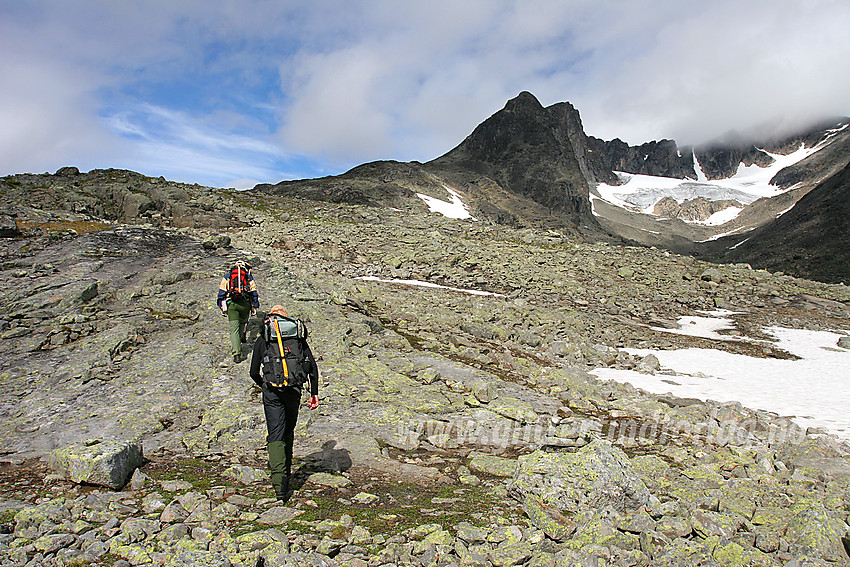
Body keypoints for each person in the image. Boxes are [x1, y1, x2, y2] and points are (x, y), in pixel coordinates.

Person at [249, 305, 320, 501]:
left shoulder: (264, 338)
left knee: (275, 433)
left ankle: (280, 485)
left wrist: (264, 385)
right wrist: (314, 392)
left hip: (272, 391)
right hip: (294, 390)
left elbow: (253, 371)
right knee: (288, 429)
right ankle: (286, 472)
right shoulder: (298, 337)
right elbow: (312, 367)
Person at [217, 260, 259, 363]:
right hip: (245, 305)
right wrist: (255, 306)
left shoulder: (228, 276)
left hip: (232, 304)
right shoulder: (248, 277)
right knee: (242, 324)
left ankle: (236, 353)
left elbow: (221, 292)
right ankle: (239, 343)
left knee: (233, 329)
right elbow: (254, 293)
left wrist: (221, 306)